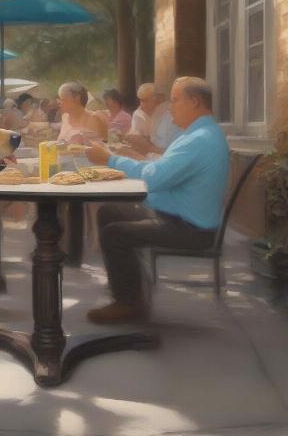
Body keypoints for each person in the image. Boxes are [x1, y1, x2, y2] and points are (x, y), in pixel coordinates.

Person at [84, 77, 229, 323]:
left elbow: (155, 178)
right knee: (109, 211)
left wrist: (110, 159)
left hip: (190, 228)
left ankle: (129, 304)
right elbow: (164, 169)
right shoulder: (199, 133)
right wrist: (134, 159)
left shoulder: (198, 139)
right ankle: (130, 287)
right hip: (179, 215)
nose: (170, 107)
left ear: (194, 102)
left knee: (114, 234)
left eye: (174, 100)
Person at [125, 83, 182, 155]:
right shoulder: (155, 114)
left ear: (160, 99)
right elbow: (155, 141)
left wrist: (146, 147)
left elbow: (173, 152)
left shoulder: (171, 116)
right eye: (140, 101)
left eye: (145, 100)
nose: (141, 105)